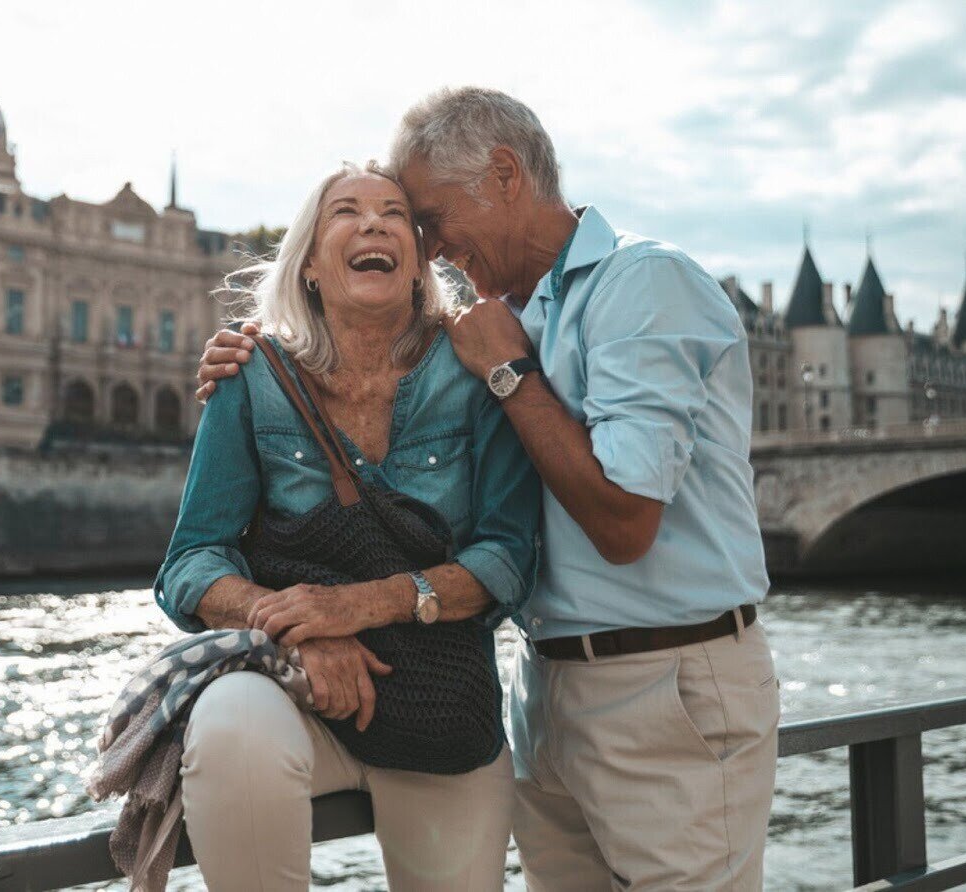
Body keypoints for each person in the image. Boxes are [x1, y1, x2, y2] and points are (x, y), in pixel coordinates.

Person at [197, 88, 778, 891]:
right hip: (547, 689)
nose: (429, 248)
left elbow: (624, 524)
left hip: (667, 684)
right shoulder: (506, 316)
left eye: (428, 218)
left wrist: (509, 373)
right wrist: (247, 358)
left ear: (505, 174)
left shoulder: (642, 285)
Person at [155, 160, 541, 891]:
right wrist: (302, 629)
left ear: (420, 261)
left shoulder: (474, 370)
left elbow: (509, 560)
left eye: (395, 213)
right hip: (301, 693)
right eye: (347, 212)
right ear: (307, 265)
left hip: (444, 709)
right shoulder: (253, 373)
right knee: (230, 720)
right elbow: (190, 562)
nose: (373, 223)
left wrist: (357, 606)